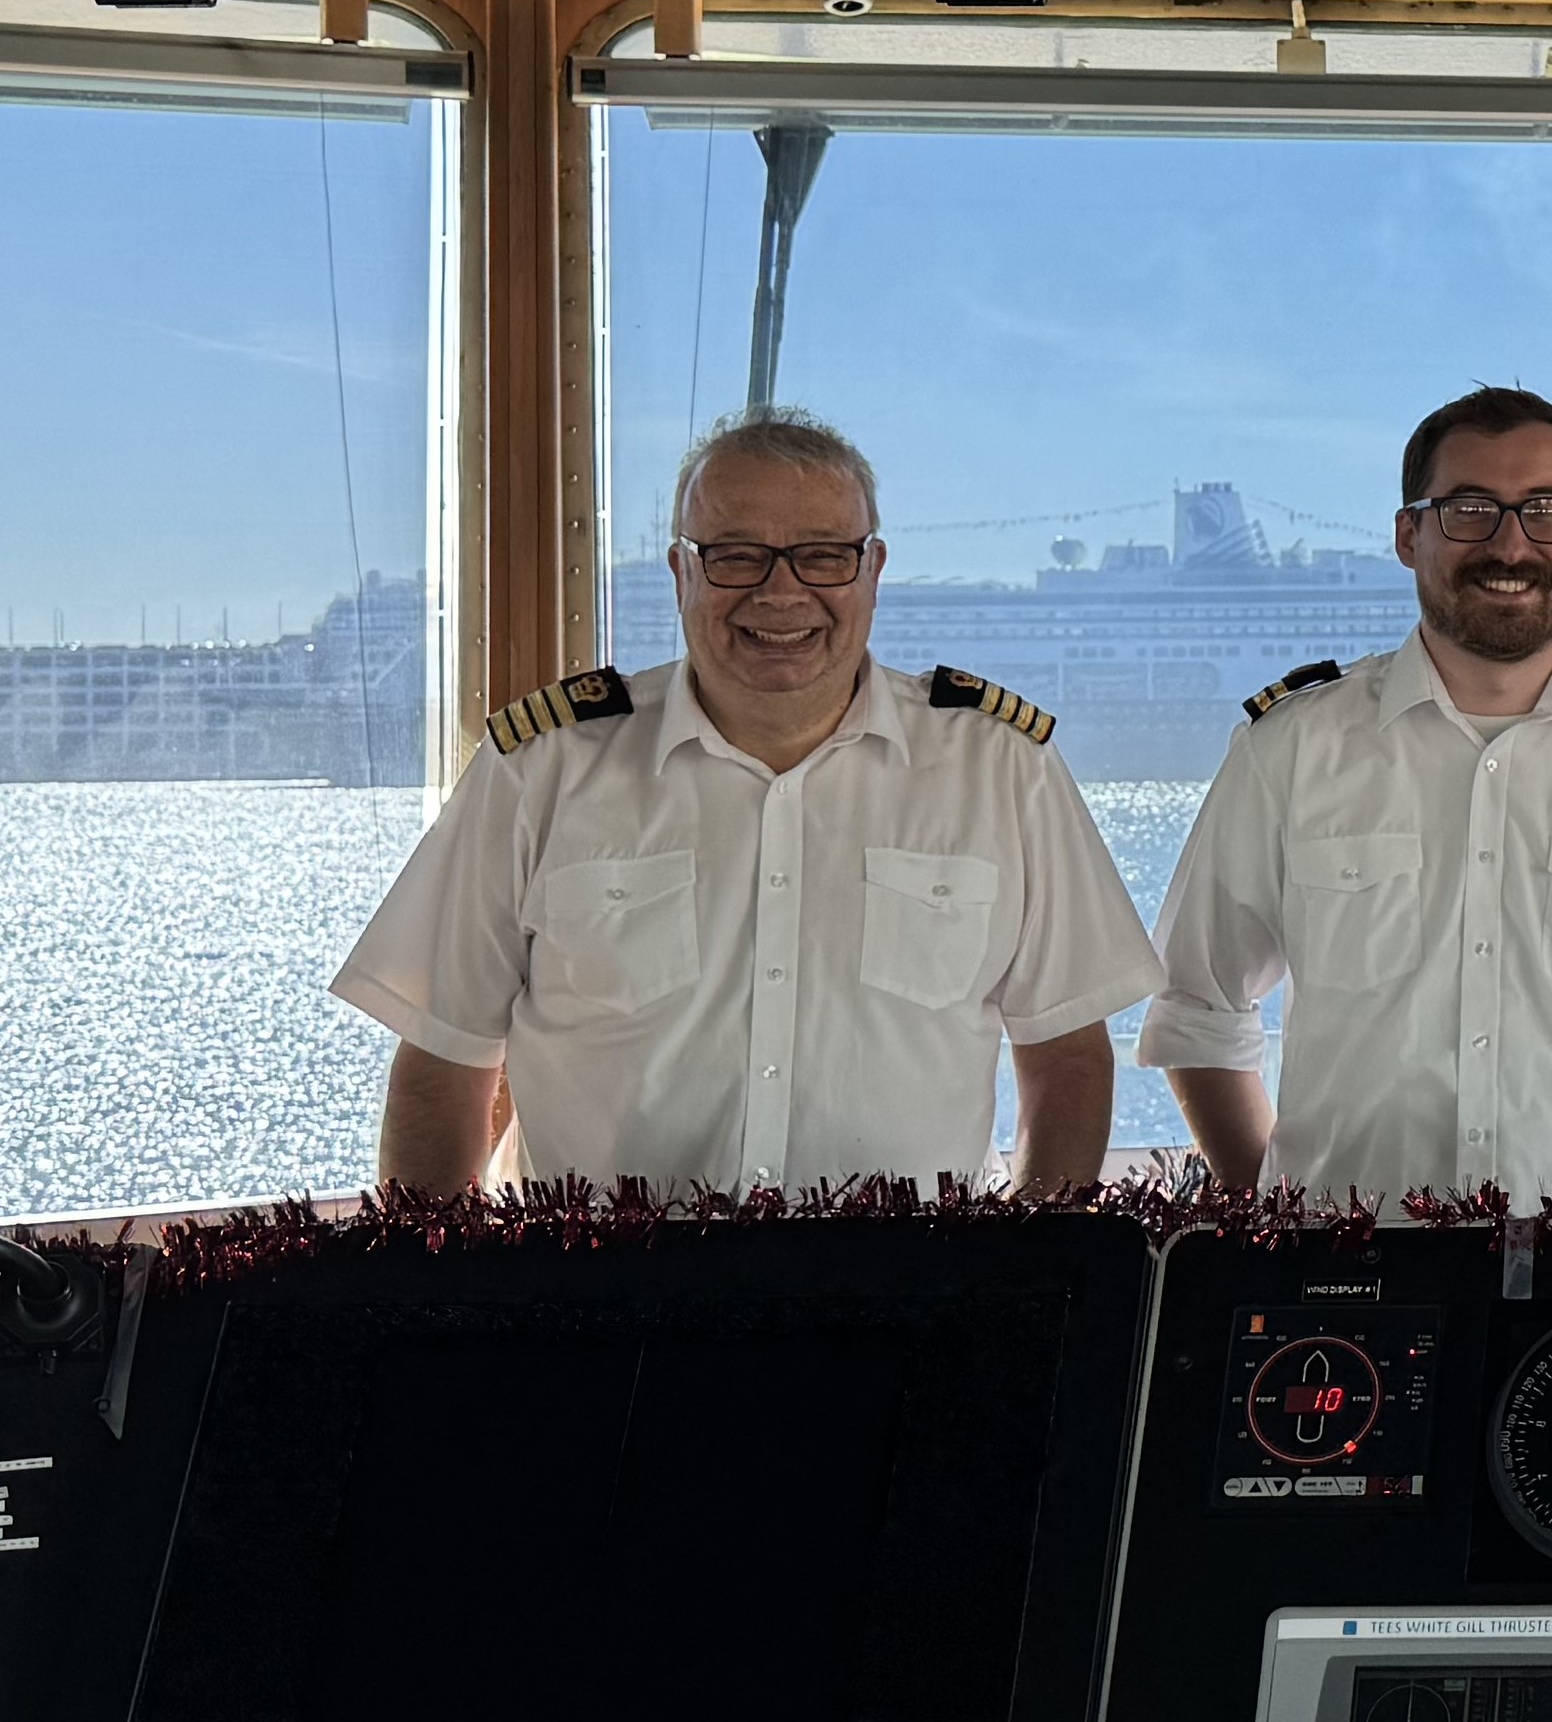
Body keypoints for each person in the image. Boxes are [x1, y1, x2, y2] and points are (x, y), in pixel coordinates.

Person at [333, 409, 1161, 1195]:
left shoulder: (1000, 768)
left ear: (872, 569)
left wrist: (1030, 1287)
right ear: (681, 571)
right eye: (736, 556)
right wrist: (430, 1321)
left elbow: (1066, 1059)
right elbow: (444, 1068)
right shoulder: (541, 769)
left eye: (823, 556)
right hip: (593, 1313)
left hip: (909, 1313)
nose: (780, 592)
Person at [1141, 385, 1552, 1203]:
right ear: (1407, 532)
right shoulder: (1290, 746)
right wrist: (1289, 1215)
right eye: (1469, 509)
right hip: (1354, 1285)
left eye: (1545, 510)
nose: (1510, 544)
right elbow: (1197, 1010)